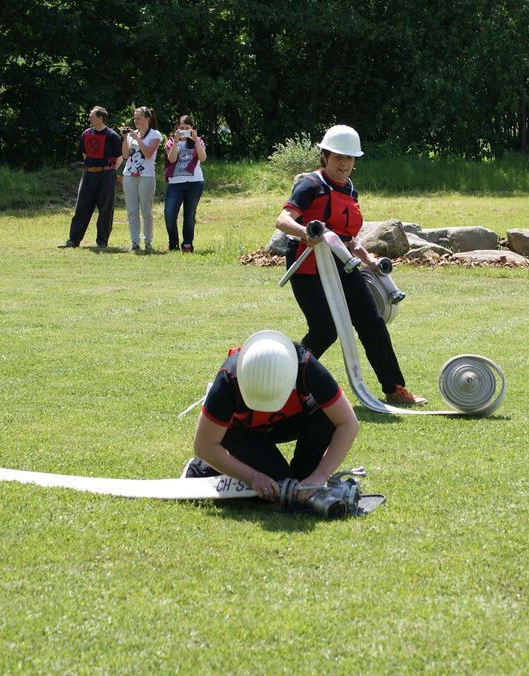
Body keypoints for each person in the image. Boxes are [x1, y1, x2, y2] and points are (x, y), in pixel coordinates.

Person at [274, 124, 427, 406]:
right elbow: (283, 220)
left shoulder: (350, 189)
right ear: (325, 157)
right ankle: (283, 383)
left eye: (349, 158)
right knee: (324, 331)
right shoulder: (310, 184)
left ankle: (394, 389)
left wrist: (369, 260)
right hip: (307, 266)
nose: (344, 164)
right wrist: (306, 233)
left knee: (372, 322)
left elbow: (347, 237)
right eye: (338, 157)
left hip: (343, 263)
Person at [183, 330, 359, 503]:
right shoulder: (229, 377)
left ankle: (301, 475)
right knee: (274, 489)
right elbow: (204, 446)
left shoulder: (305, 366)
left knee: (296, 490)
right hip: (241, 432)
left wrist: (320, 475)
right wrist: (253, 476)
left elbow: (348, 423)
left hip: (283, 423)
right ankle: (203, 468)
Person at [59, 106, 123, 249]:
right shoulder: (86, 133)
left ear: (100, 118)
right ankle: (73, 240)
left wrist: (110, 171)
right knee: (81, 207)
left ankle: (102, 242)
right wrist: (92, 167)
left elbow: (119, 157)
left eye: (91, 116)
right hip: (89, 175)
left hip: (106, 176)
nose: (89, 119)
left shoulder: (112, 136)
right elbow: (85, 154)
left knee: (105, 209)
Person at [121, 106, 162, 252]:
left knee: (146, 210)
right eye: (135, 118)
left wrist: (137, 138)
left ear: (147, 119)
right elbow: (125, 155)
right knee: (132, 210)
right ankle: (135, 242)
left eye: (138, 118)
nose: (136, 121)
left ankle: (148, 242)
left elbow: (148, 154)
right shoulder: (132, 134)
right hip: (129, 175)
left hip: (146, 176)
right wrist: (125, 138)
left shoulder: (155, 134)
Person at [163, 114, 206, 252]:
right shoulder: (170, 142)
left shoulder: (198, 141)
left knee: (189, 216)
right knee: (169, 215)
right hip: (175, 183)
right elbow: (172, 159)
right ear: (177, 129)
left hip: (195, 182)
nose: (184, 131)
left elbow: (203, 158)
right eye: (181, 128)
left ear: (192, 128)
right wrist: (176, 141)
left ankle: (187, 244)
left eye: (187, 128)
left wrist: (196, 141)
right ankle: (173, 243)